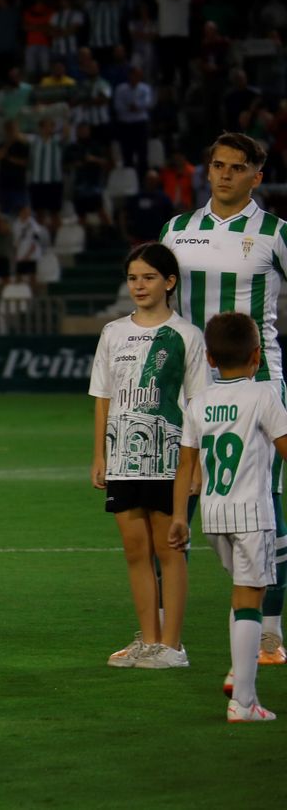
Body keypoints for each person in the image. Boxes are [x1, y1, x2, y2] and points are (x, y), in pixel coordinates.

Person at [160, 132, 287, 662]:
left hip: (258, 383)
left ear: (257, 176)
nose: (225, 175)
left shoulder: (276, 233)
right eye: (218, 166)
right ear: (207, 170)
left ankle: (270, 631)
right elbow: (154, 290)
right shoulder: (177, 230)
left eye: (237, 168)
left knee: (265, 501)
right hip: (194, 381)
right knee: (177, 498)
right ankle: (163, 632)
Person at [89, 243, 208, 668]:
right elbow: (103, 397)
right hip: (123, 456)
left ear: (169, 282)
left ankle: (172, 646)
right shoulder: (113, 332)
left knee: (169, 550)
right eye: (133, 277)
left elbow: (199, 405)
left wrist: (195, 466)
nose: (139, 285)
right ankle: (149, 640)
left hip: (169, 457)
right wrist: (100, 454)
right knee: (135, 551)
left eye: (149, 277)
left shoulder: (187, 336)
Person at [171, 312, 287, 723]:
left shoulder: (199, 401)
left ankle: (240, 674)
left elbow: (185, 466)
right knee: (250, 599)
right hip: (252, 512)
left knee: (241, 594)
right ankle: (244, 701)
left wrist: (178, 518)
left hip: (212, 514)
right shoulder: (264, 395)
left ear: (210, 358)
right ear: (257, 356)